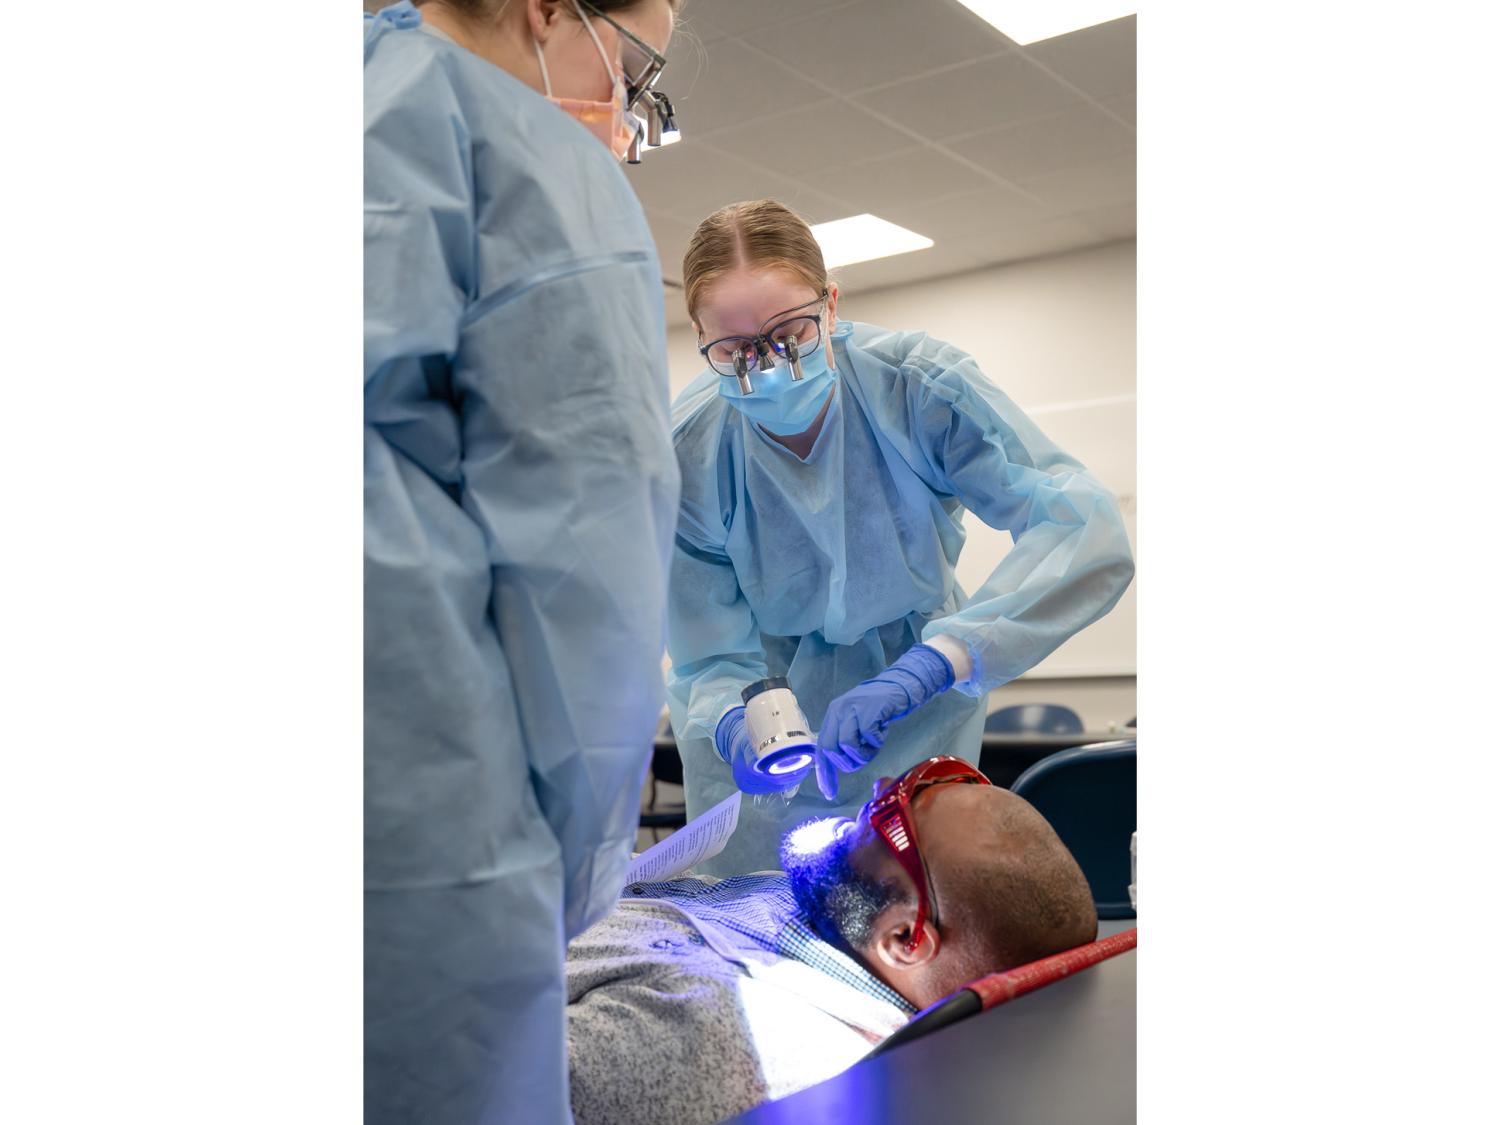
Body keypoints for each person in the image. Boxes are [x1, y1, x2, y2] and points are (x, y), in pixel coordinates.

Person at [364, 2, 680, 1122]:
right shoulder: (529, 158)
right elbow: (585, 569)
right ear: (552, 12)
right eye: (636, 68)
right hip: (413, 836)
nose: (628, 108)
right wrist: (583, 871)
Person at [666, 199, 1136, 875]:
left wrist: (935, 663)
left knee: (920, 901)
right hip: (771, 717)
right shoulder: (690, 450)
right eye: (736, 349)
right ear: (699, 335)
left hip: (920, 706)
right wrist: (735, 723)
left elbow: (1079, 527)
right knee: (759, 914)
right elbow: (705, 643)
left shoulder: (919, 389)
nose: (767, 367)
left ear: (830, 304)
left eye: (791, 332)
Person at [564, 756, 1097, 1124]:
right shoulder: (835, 916)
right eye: (922, 782)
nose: (879, 787)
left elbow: (485, 1082)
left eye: (891, 817)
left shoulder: (710, 1033)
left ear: (906, 939)